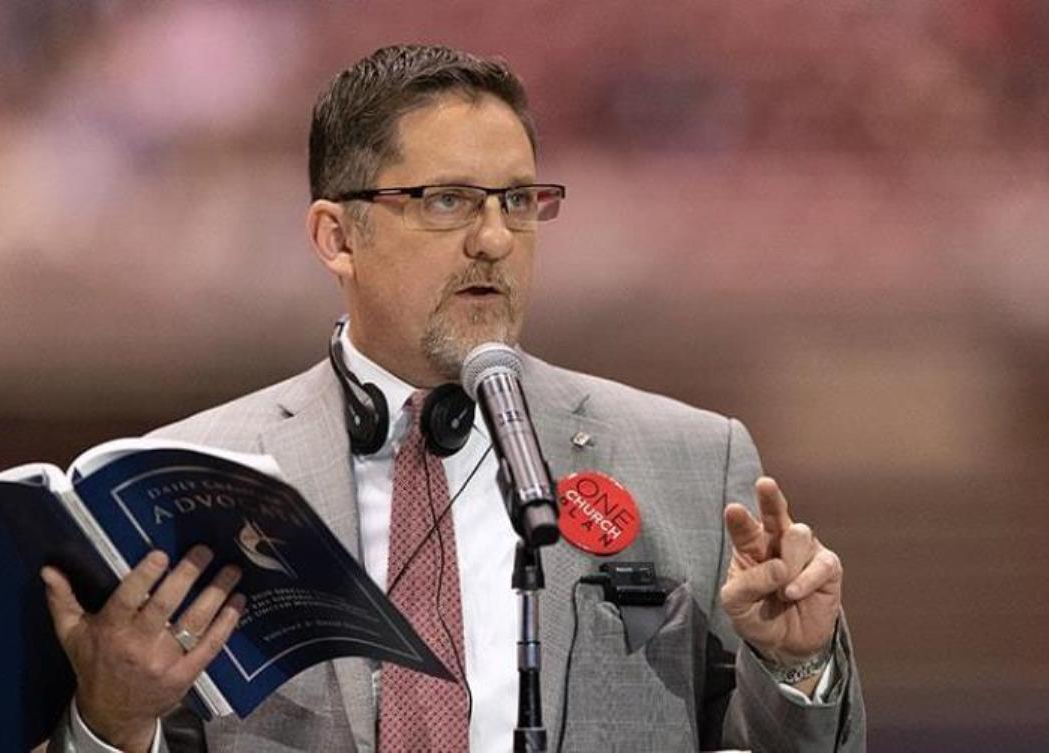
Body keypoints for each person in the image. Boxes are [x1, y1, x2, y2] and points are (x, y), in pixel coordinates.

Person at [44, 44, 865, 752]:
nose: (496, 238)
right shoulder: (192, 475)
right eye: (446, 201)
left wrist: (796, 666)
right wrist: (110, 720)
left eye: (518, 200)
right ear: (337, 236)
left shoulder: (691, 458)